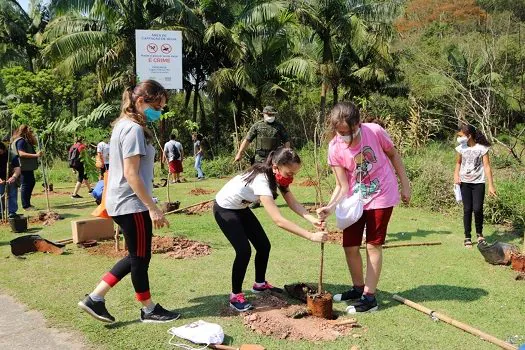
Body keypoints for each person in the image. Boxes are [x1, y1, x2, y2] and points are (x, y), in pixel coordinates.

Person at [77, 80, 180, 324]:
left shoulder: (123, 125)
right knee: (140, 258)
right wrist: (153, 208)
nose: (160, 112)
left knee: (137, 256)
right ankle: (148, 309)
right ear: (142, 101)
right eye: (158, 106)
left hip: (122, 202)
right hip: (131, 203)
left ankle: (96, 297)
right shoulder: (132, 129)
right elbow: (131, 174)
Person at [317, 102, 411, 314]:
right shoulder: (334, 148)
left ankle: (370, 298)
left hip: (382, 194)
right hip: (354, 199)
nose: (343, 136)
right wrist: (330, 208)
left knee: (372, 245)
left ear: (357, 124)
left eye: (346, 132)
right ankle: (358, 288)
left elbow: (394, 155)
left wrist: (405, 185)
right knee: (349, 246)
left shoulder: (374, 132)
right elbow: (342, 185)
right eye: (339, 132)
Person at [214, 147, 328, 312]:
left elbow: (293, 203)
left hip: (240, 208)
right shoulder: (262, 181)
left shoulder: (277, 177)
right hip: (224, 209)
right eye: (289, 173)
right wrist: (310, 236)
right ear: (276, 166)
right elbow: (278, 220)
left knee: (263, 245)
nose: (291, 178)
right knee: (243, 251)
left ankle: (259, 284)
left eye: (294, 174)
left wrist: (313, 220)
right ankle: (235, 296)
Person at [454, 124, 496, 248]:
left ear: (469, 136)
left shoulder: (482, 148)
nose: (459, 138)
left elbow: (487, 167)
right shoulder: (461, 148)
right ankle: (467, 237)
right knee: (467, 210)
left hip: (478, 183)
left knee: (477, 209)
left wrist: (491, 185)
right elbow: (458, 163)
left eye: (461, 136)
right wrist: (456, 175)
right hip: (464, 183)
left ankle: (479, 234)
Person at [10, 125, 42, 211]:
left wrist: (31, 135)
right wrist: (36, 155)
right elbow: (21, 153)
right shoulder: (21, 141)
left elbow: (34, 142)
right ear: (25, 131)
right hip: (23, 167)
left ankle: (28, 204)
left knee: (31, 182)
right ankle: (26, 206)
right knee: (26, 185)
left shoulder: (22, 140)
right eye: (29, 130)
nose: (31, 132)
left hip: (26, 166)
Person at [0, 142, 21, 219]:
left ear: (4, 149)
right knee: (0, 194)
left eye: (0, 151)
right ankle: (0, 212)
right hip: (0, 179)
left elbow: (17, 169)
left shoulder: (12, 156)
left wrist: (13, 177)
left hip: (11, 177)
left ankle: (12, 212)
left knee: (12, 194)